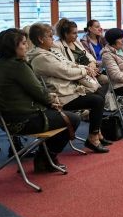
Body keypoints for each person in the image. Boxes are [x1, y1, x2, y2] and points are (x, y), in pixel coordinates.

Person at [0, 28, 80, 172]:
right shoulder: (18, 66)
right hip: (25, 120)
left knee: (61, 114)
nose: (27, 46)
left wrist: (49, 101)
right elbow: (39, 92)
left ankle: (44, 157)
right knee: (73, 119)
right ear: (12, 47)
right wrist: (52, 102)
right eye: (24, 43)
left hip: (6, 121)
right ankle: (45, 158)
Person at [27, 22, 109, 153]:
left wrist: (85, 67)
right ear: (41, 39)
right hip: (60, 96)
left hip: (70, 90)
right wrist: (85, 71)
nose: (52, 39)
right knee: (97, 100)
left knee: (98, 95)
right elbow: (66, 72)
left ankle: (96, 133)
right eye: (50, 36)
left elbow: (69, 64)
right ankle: (94, 137)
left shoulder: (50, 51)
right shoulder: (41, 58)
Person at [55, 18, 108, 85]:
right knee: (101, 83)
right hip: (80, 75)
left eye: (77, 32)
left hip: (91, 71)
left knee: (107, 80)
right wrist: (87, 70)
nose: (77, 35)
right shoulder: (58, 45)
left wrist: (92, 63)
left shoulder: (76, 41)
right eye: (74, 33)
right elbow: (68, 65)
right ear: (65, 34)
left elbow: (88, 54)